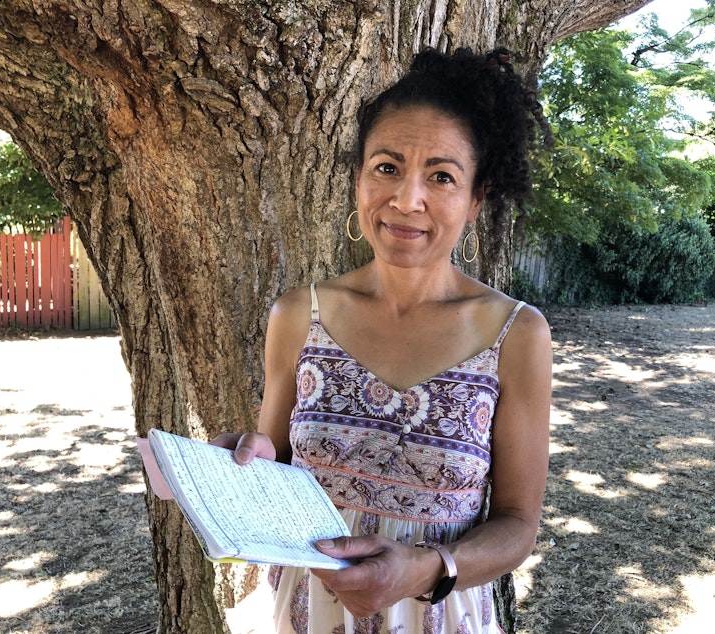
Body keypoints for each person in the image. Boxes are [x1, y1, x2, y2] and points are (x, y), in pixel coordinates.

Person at [213, 46, 552, 633]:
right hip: (308, 613)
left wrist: (424, 570)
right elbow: (274, 467)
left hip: (440, 618)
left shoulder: (515, 334)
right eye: (387, 167)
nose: (406, 199)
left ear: (476, 199)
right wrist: (241, 468)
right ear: (358, 178)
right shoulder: (299, 315)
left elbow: (518, 525)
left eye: (441, 177)